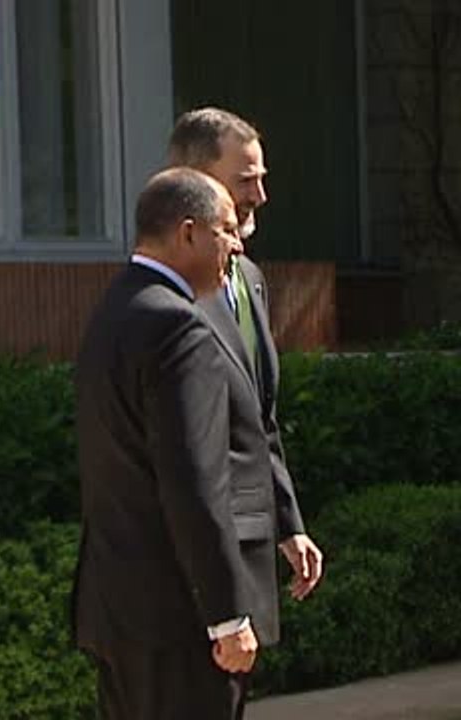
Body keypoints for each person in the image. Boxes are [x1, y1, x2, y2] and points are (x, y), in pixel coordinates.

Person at [73, 168, 277, 719]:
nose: (236, 244)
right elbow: (194, 484)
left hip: (117, 609)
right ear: (188, 233)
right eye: (226, 229)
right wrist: (228, 617)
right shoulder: (179, 328)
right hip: (178, 622)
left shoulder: (112, 312)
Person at [167, 107, 322, 601]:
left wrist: (287, 523)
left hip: (251, 543)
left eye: (262, 179)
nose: (260, 196)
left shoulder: (249, 279)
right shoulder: (167, 293)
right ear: (197, 181)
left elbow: (258, 419)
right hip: (194, 560)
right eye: (246, 180)